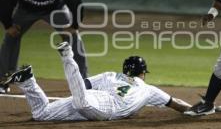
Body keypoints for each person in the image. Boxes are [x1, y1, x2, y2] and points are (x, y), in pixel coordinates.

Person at [0, 42, 191, 121]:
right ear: (143, 73)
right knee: (80, 101)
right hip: (105, 106)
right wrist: (199, 108)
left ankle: (28, 81)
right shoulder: (149, 89)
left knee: (41, 114)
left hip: (92, 101)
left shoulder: (110, 75)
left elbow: (83, 85)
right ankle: (67, 56)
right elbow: (177, 104)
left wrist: (76, 96)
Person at [0, 0, 88, 93]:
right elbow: (6, 2)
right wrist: (8, 25)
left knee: (73, 37)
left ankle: (84, 81)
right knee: (10, 37)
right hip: (26, 11)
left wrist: (75, 25)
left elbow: (75, 0)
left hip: (55, 10)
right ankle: (4, 80)